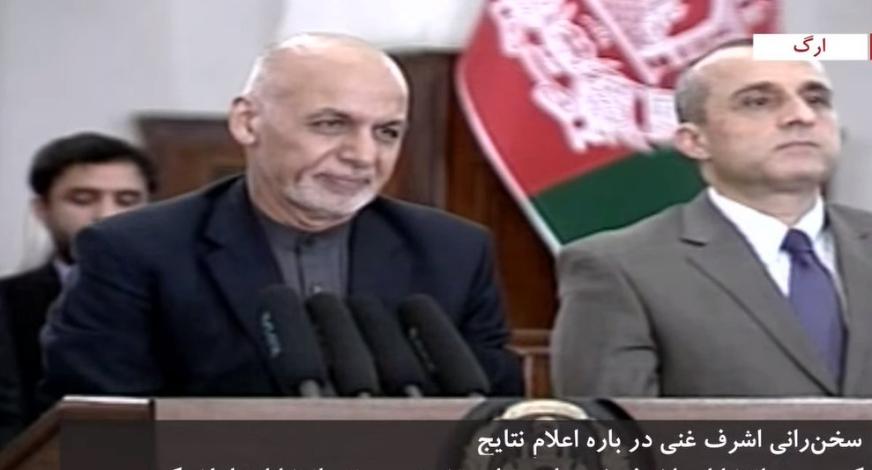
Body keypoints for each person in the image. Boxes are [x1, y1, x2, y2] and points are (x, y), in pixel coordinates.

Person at [41, 33, 522, 399]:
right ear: (248, 122)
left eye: (387, 132)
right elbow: (97, 424)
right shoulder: (133, 251)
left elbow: (496, 417)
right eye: (331, 124)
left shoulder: (454, 252)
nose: (362, 155)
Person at [551, 40, 872, 397]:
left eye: (816, 99)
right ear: (694, 141)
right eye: (758, 102)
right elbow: (610, 427)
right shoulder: (620, 268)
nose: (802, 116)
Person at [0, 132, 156, 445]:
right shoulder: (7, 302)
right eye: (83, 199)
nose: (106, 216)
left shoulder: (185, 297)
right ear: (42, 208)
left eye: (127, 200)